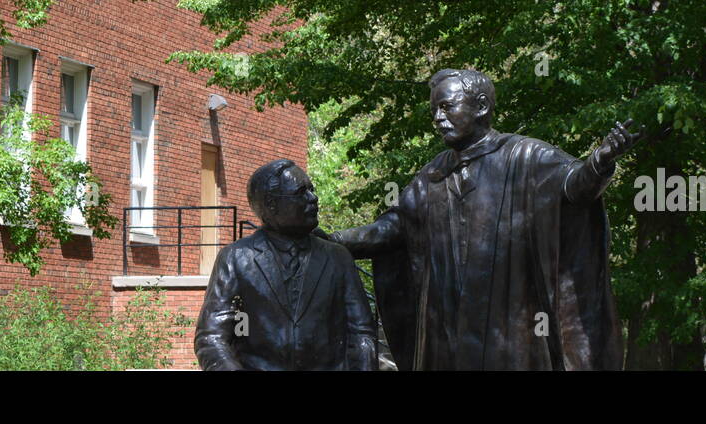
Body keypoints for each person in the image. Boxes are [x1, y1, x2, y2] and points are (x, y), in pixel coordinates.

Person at [328, 68, 640, 370]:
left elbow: (574, 188)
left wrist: (599, 163)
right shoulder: (433, 175)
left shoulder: (524, 157)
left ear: (480, 107)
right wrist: (335, 240)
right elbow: (393, 227)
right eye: (435, 109)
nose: (438, 118)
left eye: (447, 107)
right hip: (446, 334)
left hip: (510, 330)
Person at [195, 159, 377, 370]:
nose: (313, 198)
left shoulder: (337, 258)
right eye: (301, 192)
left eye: (311, 190)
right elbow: (211, 337)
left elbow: (361, 333)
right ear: (272, 204)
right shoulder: (236, 258)